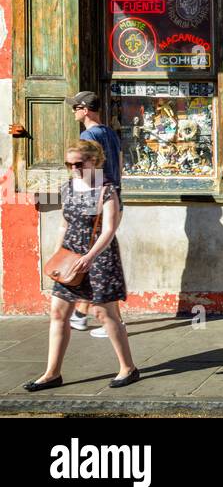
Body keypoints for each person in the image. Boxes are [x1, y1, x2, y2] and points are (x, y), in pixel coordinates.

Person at [25, 139, 138, 391]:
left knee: (104, 314)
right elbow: (64, 224)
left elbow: (109, 229)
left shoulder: (107, 191)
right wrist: (57, 254)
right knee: (57, 313)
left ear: (94, 161)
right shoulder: (67, 187)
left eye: (79, 163)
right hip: (70, 255)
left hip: (99, 258)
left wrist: (90, 257)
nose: (73, 168)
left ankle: (127, 368)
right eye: (69, 164)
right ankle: (52, 373)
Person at [68, 92, 122, 338]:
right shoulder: (110, 132)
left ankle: (111, 321)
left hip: (97, 202)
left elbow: (91, 173)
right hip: (115, 197)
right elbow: (120, 166)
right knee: (101, 257)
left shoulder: (88, 136)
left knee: (96, 260)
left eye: (75, 108)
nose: (73, 113)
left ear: (85, 109)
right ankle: (81, 314)